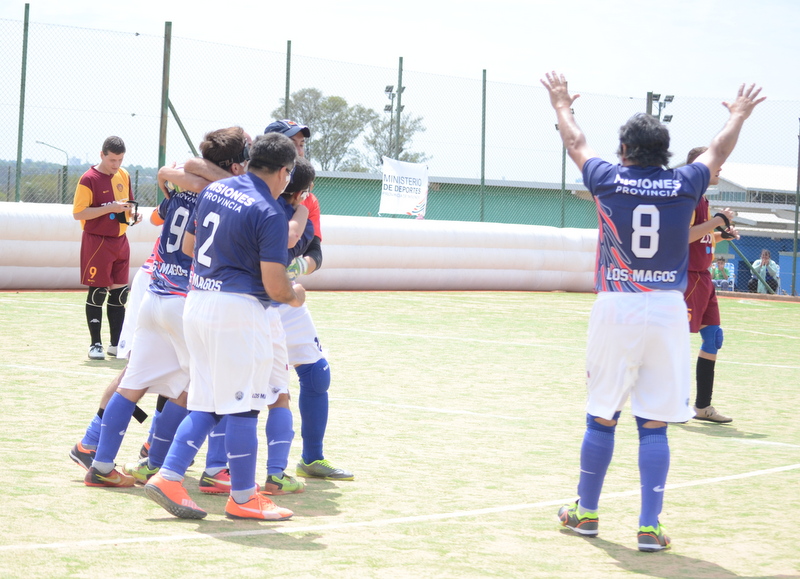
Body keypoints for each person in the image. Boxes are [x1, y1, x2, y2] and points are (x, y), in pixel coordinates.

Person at [541, 71, 764, 552]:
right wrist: (739, 114)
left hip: (616, 307)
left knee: (601, 415)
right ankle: (648, 526)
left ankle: (586, 513)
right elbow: (718, 152)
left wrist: (561, 103)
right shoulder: (685, 184)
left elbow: (575, 140)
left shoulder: (606, 178)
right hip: (667, 311)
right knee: (655, 423)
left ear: (623, 150)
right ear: (665, 153)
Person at [179, 119, 354, 482]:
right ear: (280, 163)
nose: (301, 147)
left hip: (211, 298)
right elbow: (277, 277)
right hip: (250, 303)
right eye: (295, 143)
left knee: (220, 396)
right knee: (242, 399)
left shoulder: (226, 189)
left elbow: (314, 252)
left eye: (304, 142)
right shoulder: (266, 205)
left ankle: (302, 460)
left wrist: (298, 266)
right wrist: (291, 290)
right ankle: (238, 483)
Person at [79, 127, 252, 488]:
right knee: (203, 389)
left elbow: (166, 174)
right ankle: (169, 465)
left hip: (154, 295)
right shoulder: (225, 194)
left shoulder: (179, 184)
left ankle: (102, 464)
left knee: (134, 384)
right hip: (183, 302)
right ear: (233, 166)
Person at [144, 132, 305, 521]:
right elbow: (276, 286)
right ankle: (244, 497)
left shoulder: (216, 191)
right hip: (238, 313)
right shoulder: (269, 212)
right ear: (285, 173)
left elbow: (188, 246)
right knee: (244, 406)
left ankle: (168, 476)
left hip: (197, 302)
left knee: (205, 402)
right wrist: (296, 293)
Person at [72, 136, 141, 360]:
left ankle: (115, 344)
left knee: (120, 294)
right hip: (97, 241)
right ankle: (95, 344)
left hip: (120, 240)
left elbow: (128, 205)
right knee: (98, 291)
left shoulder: (124, 175)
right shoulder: (88, 179)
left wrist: (133, 215)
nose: (116, 165)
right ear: (102, 155)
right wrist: (109, 207)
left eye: (120, 160)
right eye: (112, 160)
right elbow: (79, 213)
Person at [683, 146, 738, 424]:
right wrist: (718, 220)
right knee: (677, 341)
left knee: (713, 337)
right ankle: (672, 403)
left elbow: (700, 239)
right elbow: (683, 237)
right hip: (689, 277)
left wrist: (720, 236)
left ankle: (702, 407)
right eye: (718, 162)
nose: (721, 167)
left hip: (704, 278)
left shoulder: (701, 198)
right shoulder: (688, 197)